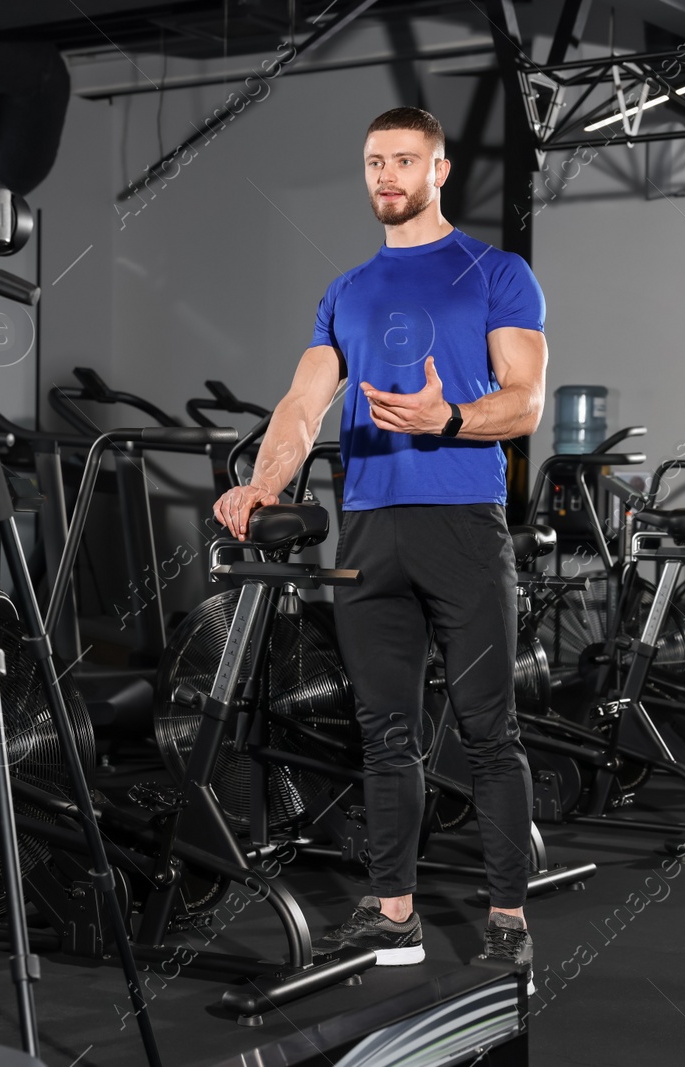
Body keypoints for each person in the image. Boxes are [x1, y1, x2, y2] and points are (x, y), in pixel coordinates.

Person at [211, 106, 546, 980]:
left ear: (440, 169)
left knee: (488, 731)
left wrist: (452, 418)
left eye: (404, 160)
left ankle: (508, 915)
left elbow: (526, 401)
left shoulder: (497, 273)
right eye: (372, 163)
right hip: (368, 526)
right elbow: (300, 405)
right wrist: (265, 482)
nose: (386, 176)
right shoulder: (347, 292)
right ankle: (393, 914)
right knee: (383, 731)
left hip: (464, 524)